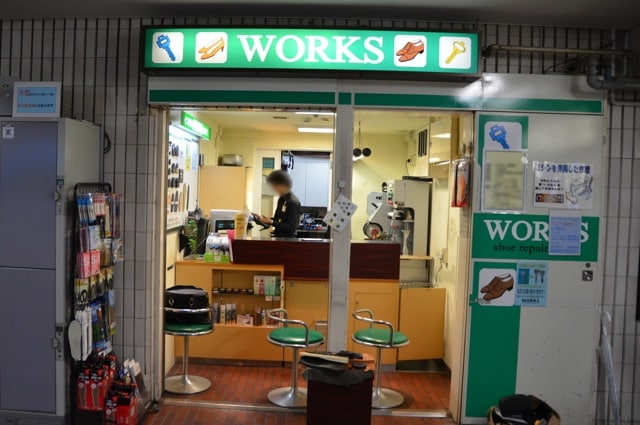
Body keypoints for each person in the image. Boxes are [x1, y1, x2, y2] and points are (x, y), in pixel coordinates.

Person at [254, 170, 301, 238]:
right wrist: (265, 220)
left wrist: (272, 222)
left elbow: (292, 227)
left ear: (282, 184)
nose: (273, 188)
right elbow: (278, 220)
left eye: (274, 185)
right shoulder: (282, 199)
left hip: (288, 240)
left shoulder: (293, 202)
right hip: (279, 237)